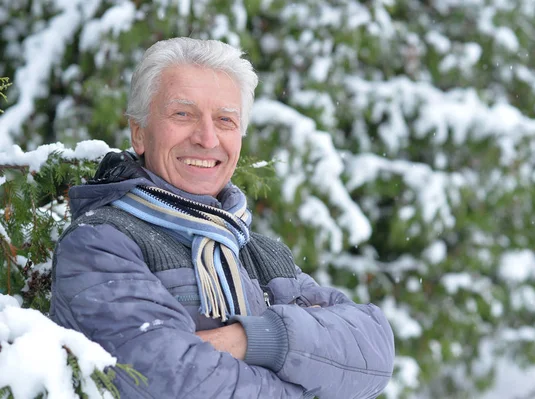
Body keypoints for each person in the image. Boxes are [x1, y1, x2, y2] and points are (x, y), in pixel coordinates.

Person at [50, 37, 394, 398]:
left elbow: (374, 353)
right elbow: (173, 383)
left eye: (225, 120)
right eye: (183, 114)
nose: (207, 137)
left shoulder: (255, 251)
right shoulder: (100, 243)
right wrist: (309, 379)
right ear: (140, 133)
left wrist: (252, 338)